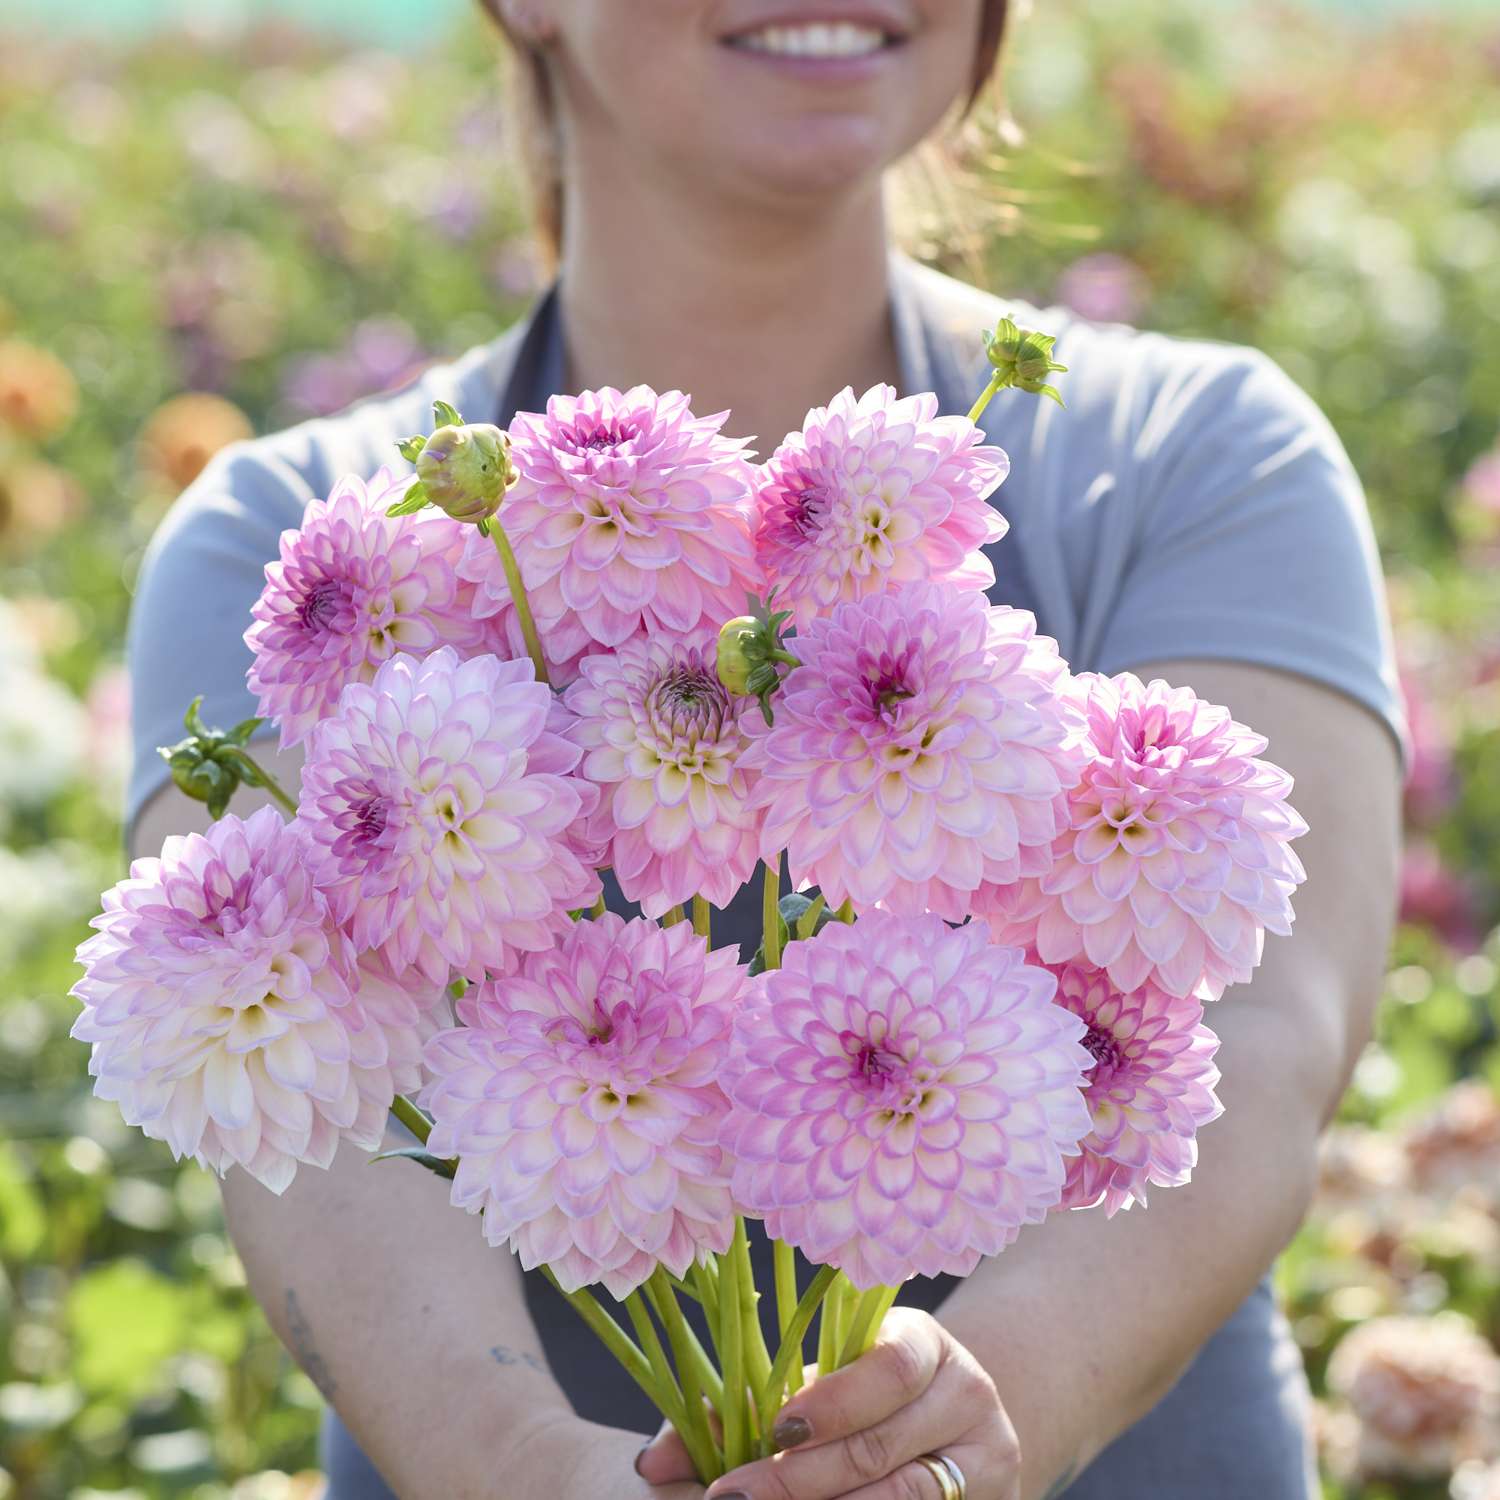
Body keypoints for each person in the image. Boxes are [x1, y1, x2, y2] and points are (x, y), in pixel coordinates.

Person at [126, 3, 1405, 1497]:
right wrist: (518, 1462)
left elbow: (1259, 1033)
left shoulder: (1202, 452)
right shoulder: (300, 542)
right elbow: (302, 1106)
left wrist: (983, 1417)